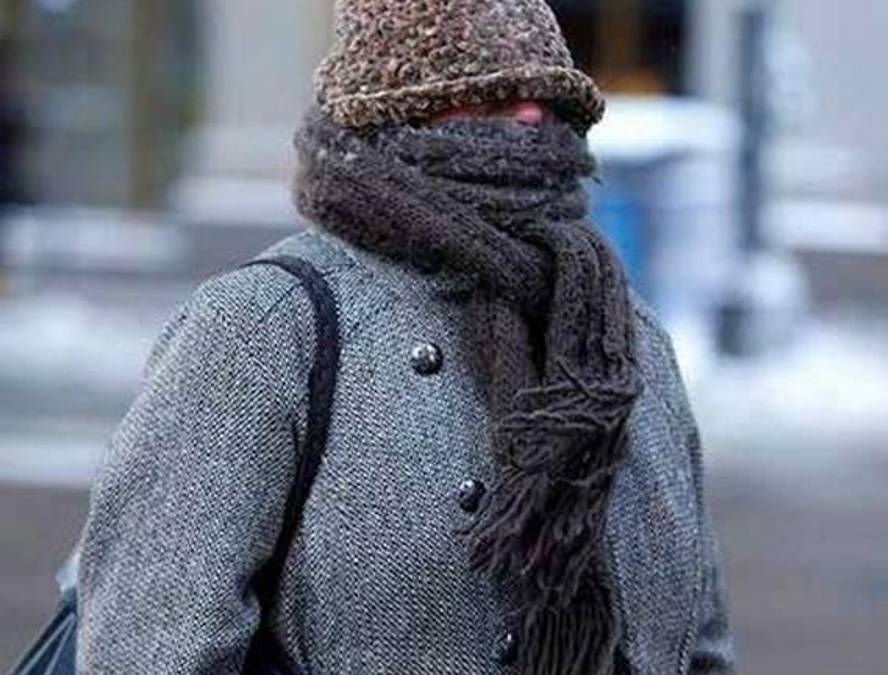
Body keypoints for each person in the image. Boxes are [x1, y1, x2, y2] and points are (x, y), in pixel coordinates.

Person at [74, 1, 736, 673]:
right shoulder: (263, 328)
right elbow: (150, 649)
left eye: (547, 97)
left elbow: (700, 645)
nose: (529, 115)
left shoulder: (619, 334)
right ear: (395, 112)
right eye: (488, 93)